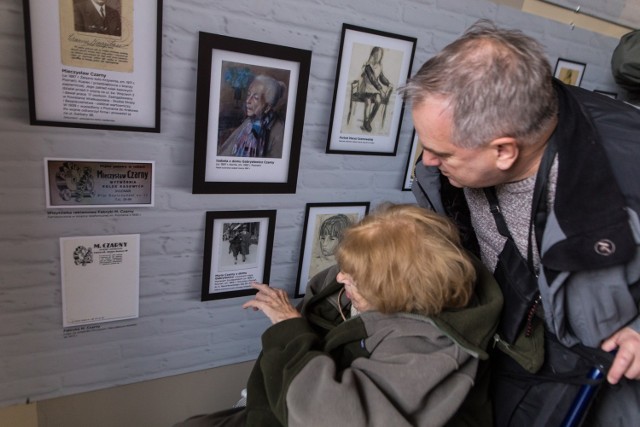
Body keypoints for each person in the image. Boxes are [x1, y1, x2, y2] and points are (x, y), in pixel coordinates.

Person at [401, 20, 640, 426]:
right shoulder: (461, 154)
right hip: (513, 348)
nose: (427, 162)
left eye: (441, 152)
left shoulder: (628, 172)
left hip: (606, 382)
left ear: (504, 152)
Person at [173, 204, 503, 427]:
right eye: (345, 267)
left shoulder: (429, 348)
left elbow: (326, 416)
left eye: (354, 277)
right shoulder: (342, 286)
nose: (341, 277)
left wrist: (290, 329)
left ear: (400, 292)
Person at [218, 74, 286, 158]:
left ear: (268, 107)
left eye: (255, 97)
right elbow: (226, 151)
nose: (247, 101)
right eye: (248, 94)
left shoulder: (278, 130)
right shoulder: (249, 122)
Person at [355, 47, 393, 132]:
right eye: (376, 54)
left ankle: (368, 121)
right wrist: (380, 90)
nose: (378, 57)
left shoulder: (379, 66)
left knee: (378, 100)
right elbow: (373, 79)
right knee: (368, 102)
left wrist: (387, 83)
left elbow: (382, 77)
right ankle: (366, 121)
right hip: (365, 89)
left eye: (380, 55)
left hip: (374, 90)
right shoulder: (368, 65)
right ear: (373, 54)